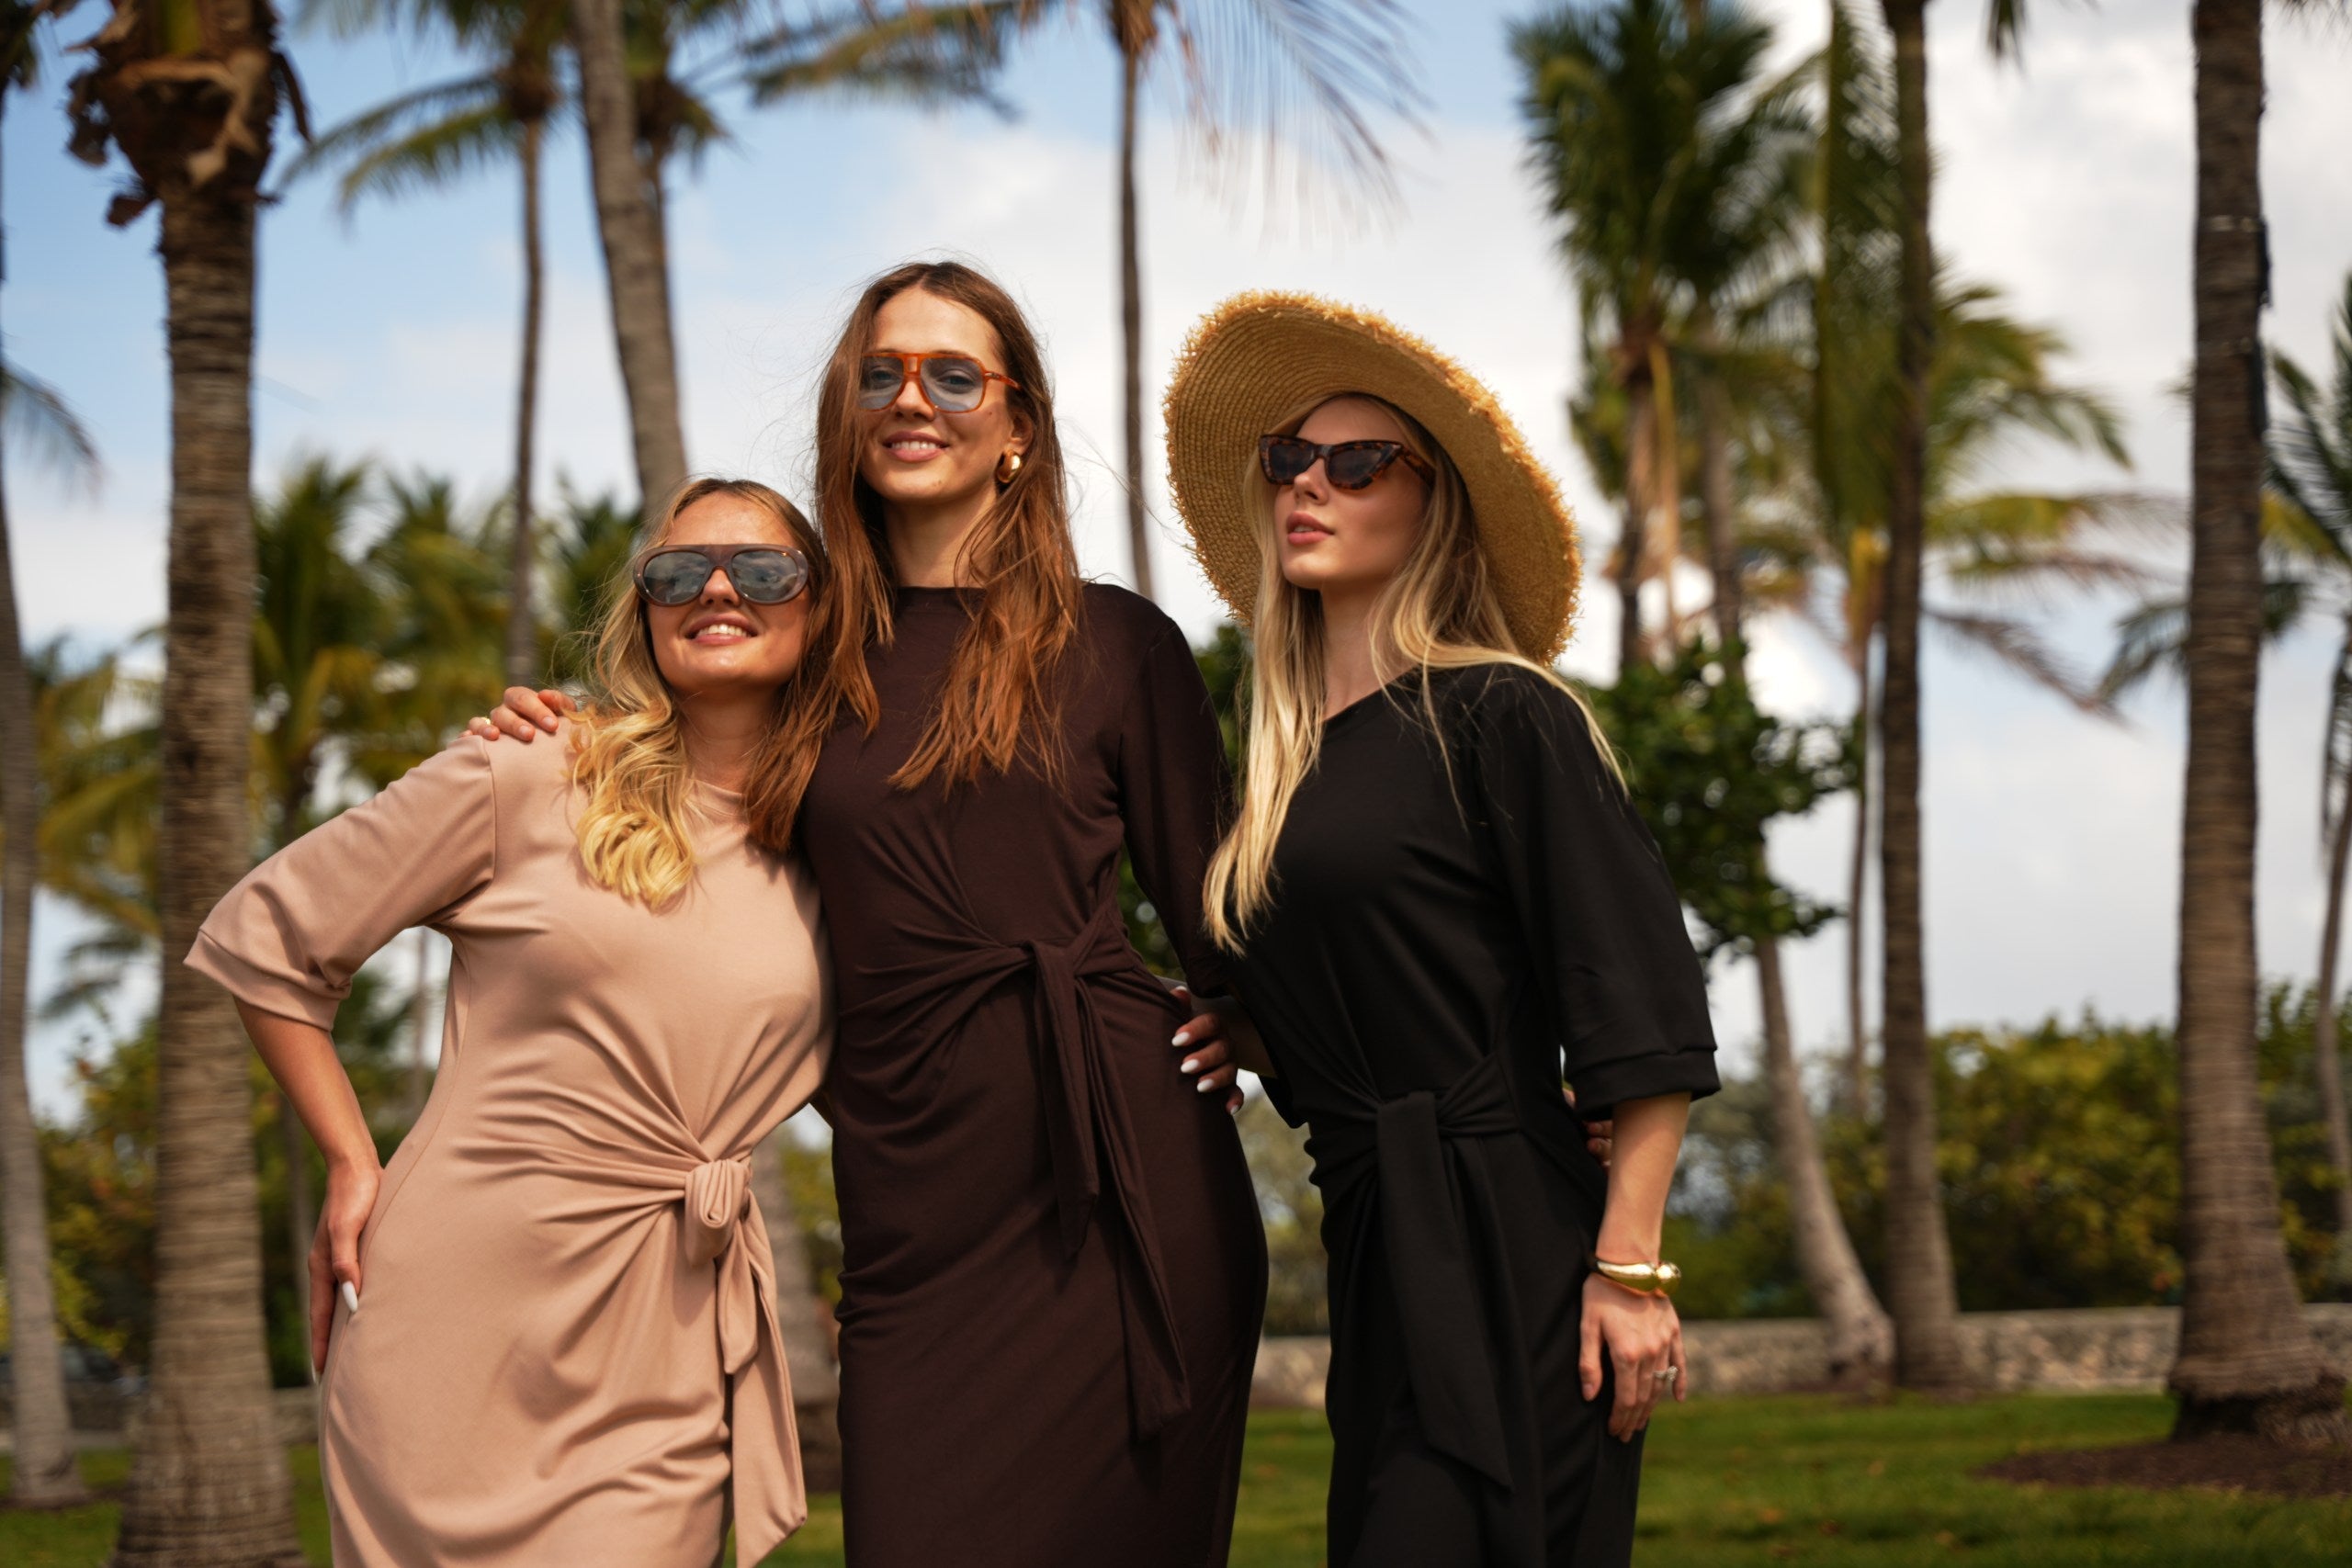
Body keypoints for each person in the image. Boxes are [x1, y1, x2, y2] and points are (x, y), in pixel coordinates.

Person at [472, 261, 1267, 1567]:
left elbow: (1229, 918)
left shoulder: (1118, 644)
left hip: (1132, 1185)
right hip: (915, 1214)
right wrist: (548, 740)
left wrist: (1259, 1024)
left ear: (1017, 427)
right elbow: (665, 776)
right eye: (879, 374)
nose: (912, 398)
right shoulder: (803, 652)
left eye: (953, 374)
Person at [1161, 292, 1723, 1568]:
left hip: (1516, 1243)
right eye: (1288, 458)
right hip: (1371, 1244)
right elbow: (1372, 990)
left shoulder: (1502, 713)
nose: (1311, 483)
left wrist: (1630, 1273)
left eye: (1359, 461)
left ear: (1433, 504)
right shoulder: (1276, 772)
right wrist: (1248, 1028)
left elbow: (1638, 1005)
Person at [188, 479, 838, 1565]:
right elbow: (270, 937)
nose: (718, 590)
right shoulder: (532, 770)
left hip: (667, 1343)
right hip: (448, 1326)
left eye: (764, 570)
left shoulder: (853, 837)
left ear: (822, 607)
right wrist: (350, 1161)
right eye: (677, 572)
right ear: (645, 610)